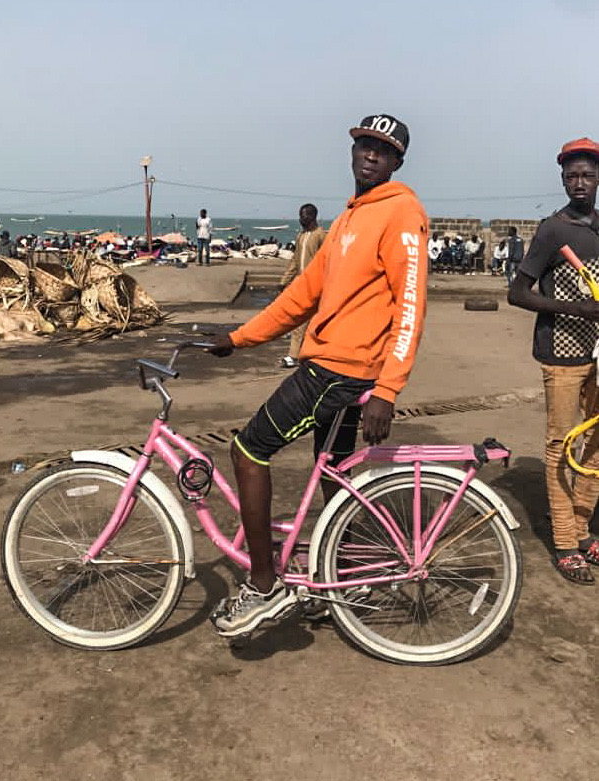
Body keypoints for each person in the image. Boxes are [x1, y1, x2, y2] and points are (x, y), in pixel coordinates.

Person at [206, 113, 428, 636]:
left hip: (340, 372)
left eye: (383, 150)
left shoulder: (401, 212)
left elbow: (411, 306)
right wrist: (239, 338)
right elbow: (303, 294)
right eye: (364, 146)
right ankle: (350, 573)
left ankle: (263, 587)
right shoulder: (350, 218)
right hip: (329, 363)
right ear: (352, 152)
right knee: (333, 472)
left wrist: (388, 390)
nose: (371, 155)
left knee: (247, 451)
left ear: (397, 162)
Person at [508, 136, 599, 584]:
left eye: (586, 175)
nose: (579, 183)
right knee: (562, 444)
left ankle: (583, 529)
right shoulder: (552, 230)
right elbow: (517, 292)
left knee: (597, 444)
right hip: (562, 354)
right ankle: (565, 541)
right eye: (571, 176)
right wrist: (579, 308)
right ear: (562, 179)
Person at [278, 204, 327, 368]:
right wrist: (285, 280)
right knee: (299, 321)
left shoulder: (321, 236)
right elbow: (295, 259)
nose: (301, 219)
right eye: (300, 216)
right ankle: (294, 355)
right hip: (301, 283)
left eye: (304, 216)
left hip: (318, 284)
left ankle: (310, 354)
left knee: (314, 322)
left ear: (312, 217)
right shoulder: (301, 236)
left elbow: (328, 260)